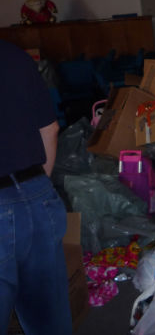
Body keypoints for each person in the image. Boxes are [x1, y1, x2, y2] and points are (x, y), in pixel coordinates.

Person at [0, 40, 72, 334]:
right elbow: (50, 129)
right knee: (49, 324)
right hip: (38, 194)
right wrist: (38, 185)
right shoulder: (15, 56)